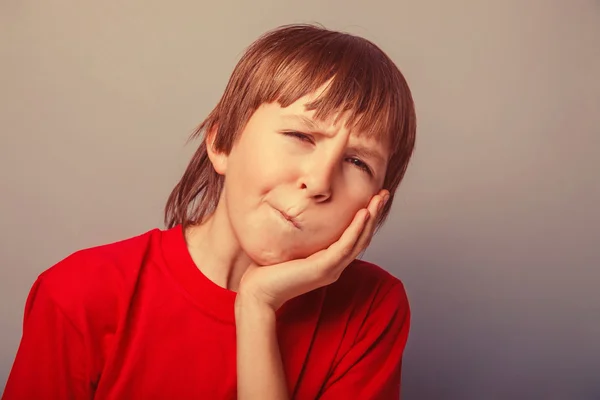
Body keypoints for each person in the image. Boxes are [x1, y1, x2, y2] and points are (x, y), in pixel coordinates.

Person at [3, 23, 416, 399]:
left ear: (376, 201)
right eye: (300, 135)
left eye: (358, 163)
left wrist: (256, 306)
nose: (320, 181)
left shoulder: (372, 309)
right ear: (221, 143)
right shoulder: (78, 295)